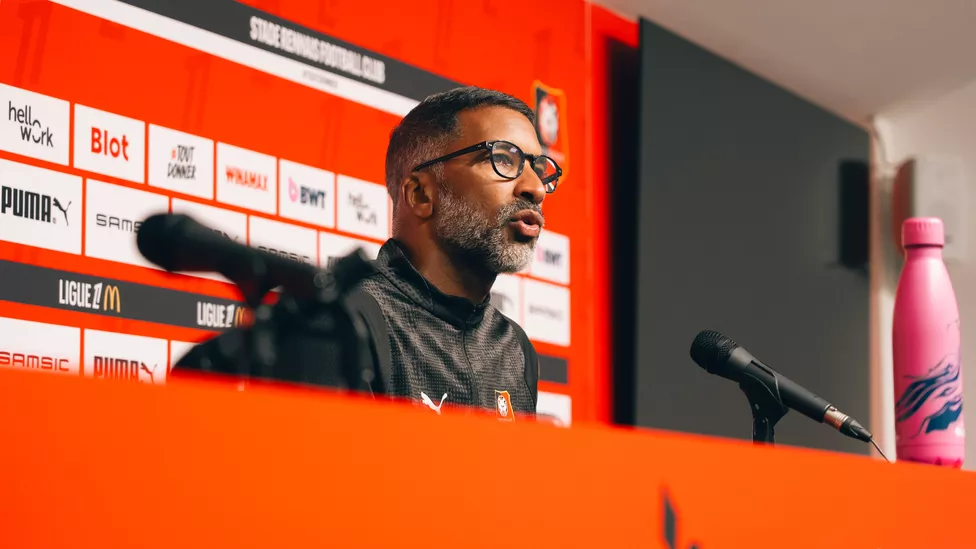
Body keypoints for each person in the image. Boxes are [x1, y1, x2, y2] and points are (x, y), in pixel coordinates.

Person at [351, 86, 562, 419]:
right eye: (504, 158)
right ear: (421, 194)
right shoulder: (350, 320)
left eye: (536, 167)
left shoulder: (516, 349)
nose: (535, 188)